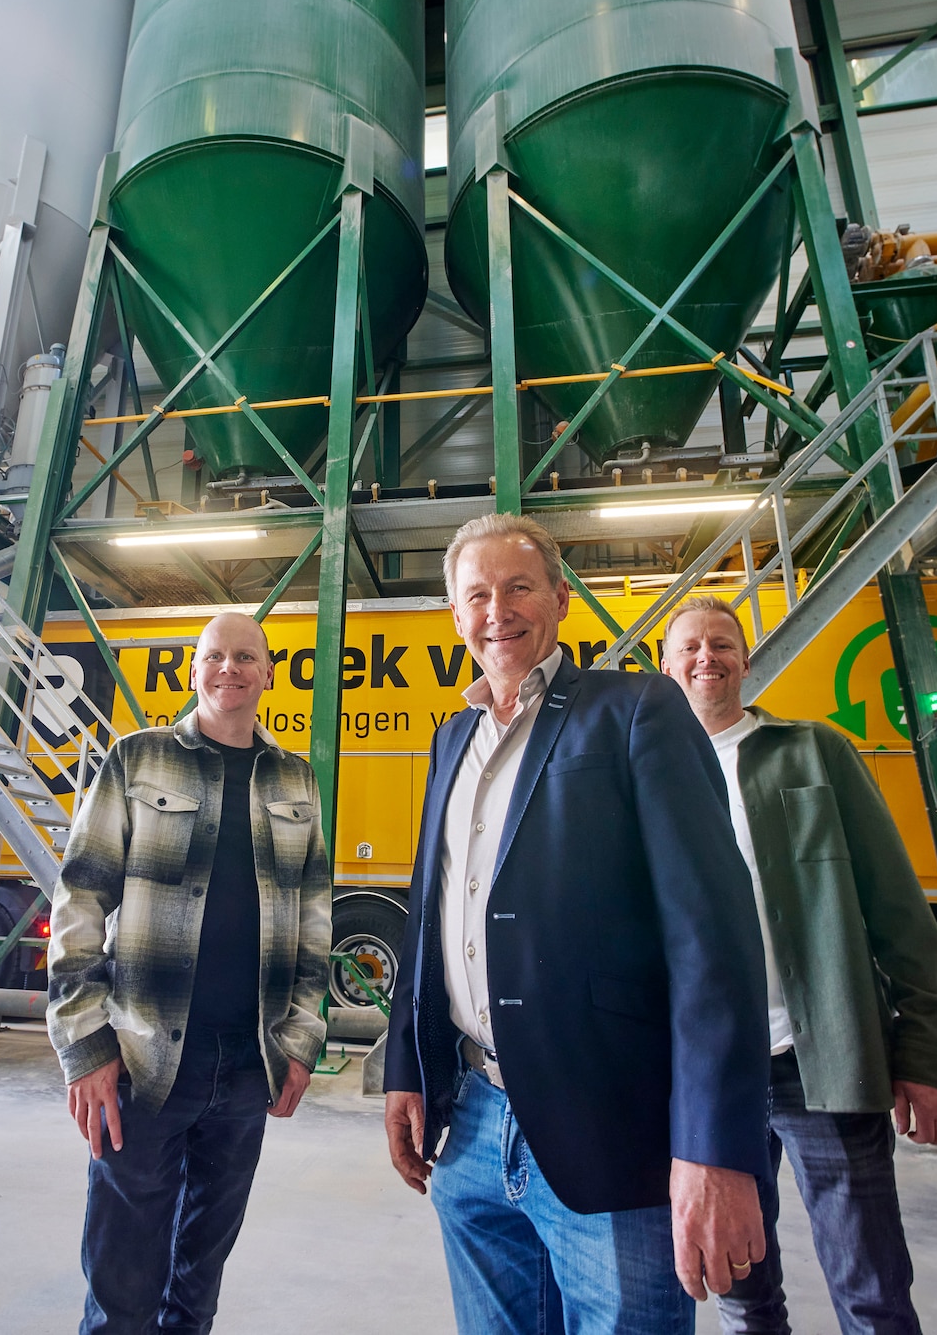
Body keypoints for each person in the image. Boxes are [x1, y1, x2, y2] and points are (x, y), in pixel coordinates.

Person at [383, 513, 774, 1334]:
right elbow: (432, 910)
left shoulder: (634, 708)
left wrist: (714, 1147)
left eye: (519, 586)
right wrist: (406, 1069)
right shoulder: (451, 738)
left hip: (612, 1124)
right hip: (473, 1117)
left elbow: (712, 936)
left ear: (561, 599)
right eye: (478, 594)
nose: (499, 610)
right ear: (456, 616)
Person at [660, 596, 937, 1335]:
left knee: (871, 1288)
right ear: (664, 669)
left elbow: (896, 905)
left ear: (747, 660)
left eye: (723, 644)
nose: (708, 658)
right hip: (705, 1076)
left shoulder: (811, 752)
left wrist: (925, 1053)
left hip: (817, 1058)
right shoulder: (648, 774)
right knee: (741, 1291)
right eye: (691, 647)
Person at [47, 611, 331, 1335]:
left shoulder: (296, 779)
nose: (228, 668)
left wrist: (300, 1041)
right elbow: (81, 897)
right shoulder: (136, 759)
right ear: (193, 669)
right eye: (213, 656)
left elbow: (313, 920)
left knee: (199, 1279)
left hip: (246, 1066)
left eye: (245, 657)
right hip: (142, 1062)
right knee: (123, 1287)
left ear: (269, 674)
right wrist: (85, 1046)